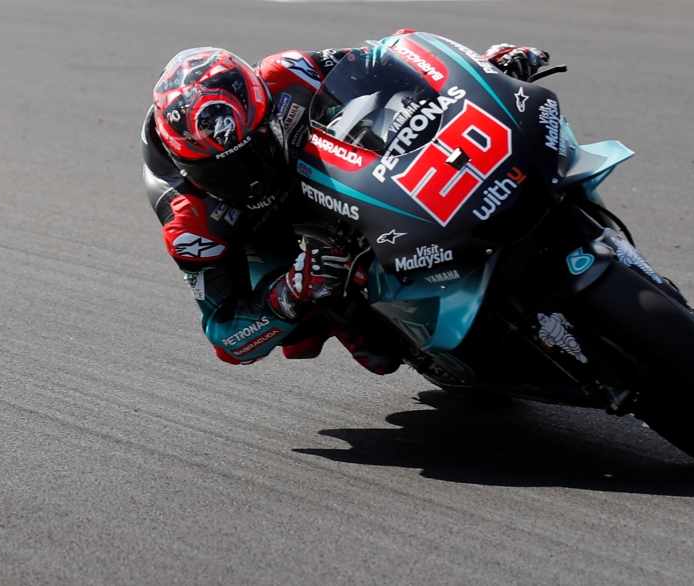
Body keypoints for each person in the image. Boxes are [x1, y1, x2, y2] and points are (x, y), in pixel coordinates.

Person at [141, 31, 550, 372]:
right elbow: (226, 338)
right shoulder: (190, 222)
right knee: (358, 348)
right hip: (252, 227)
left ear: (263, 105)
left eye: (256, 148)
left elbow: (392, 60)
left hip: (305, 163)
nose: (248, 175)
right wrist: (285, 294)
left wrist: (481, 68)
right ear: (188, 166)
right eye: (221, 172)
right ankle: (356, 315)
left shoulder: (287, 73)